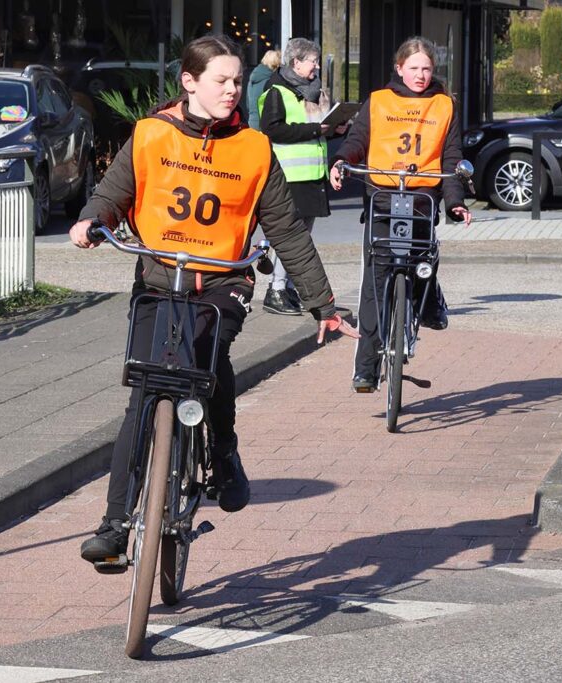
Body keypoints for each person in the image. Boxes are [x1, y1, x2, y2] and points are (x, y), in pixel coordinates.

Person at [69, 35, 358, 570]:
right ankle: (113, 527)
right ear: (189, 81)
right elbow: (114, 192)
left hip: (224, 280)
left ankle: (223, 453)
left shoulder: (252, 148)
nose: (233, 90)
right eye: (221, 80)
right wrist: (93, 220)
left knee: (210, 358)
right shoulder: (152, 134)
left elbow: (287, 231)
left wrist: (323, 305)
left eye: (235, 80)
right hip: (161, 276)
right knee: (145, 389)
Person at [328, 36, 471, 393]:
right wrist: (342, 161)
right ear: (399, 69)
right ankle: (366, 368)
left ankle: (429, 299)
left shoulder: (444, 105)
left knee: (424, 259)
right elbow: (358, 139)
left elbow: (451, 157)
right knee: (374, 285)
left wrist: (455, 201)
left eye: (427, 69)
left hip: (422, 196)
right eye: (414, 68)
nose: (421, 75)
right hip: (382, 196)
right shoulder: (378, 101)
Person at [257, 37, 346, 315]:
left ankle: (289, 288)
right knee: (294, 237)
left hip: (310, 175)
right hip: (288, 176)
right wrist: (317, 131)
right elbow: (272, 129)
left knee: (302, 236)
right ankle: (277, 290)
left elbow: (315, 127)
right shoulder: (276, 90)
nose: (317, 66)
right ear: (296, 63)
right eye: (313, 61)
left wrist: (334, 129)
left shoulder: (312, 90)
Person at [246, 49, 280, 130]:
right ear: (276, 64)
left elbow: (248, 104)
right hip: (265, 125)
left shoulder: (253, 79)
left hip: (252, 123)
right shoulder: (270, 81)